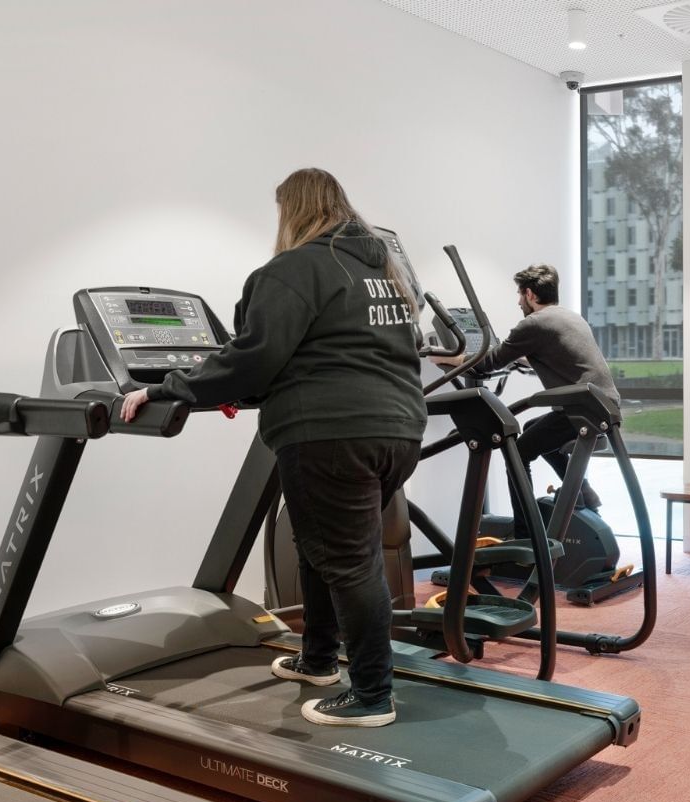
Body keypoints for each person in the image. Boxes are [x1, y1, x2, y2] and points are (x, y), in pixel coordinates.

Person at [121, 168, 426, 728]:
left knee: (350, 562)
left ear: (293, 211)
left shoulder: (292, 268)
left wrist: (169, 388)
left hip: (329, 432)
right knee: (318, 548)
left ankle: (372, 696)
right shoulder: (387, 270)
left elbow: (254, 357)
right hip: (400, 428)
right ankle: (317, 660)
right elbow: (331, 351)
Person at [452, 264, 618, 535]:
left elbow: (490, 362)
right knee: (531, 430)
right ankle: (582, 492)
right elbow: (557, 353)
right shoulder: (569, 317)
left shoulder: (534, 323)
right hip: (601, 404)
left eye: (519, 295)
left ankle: (525, 535)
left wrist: (451, 358)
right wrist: (524, 358)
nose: (519, 301)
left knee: (516, 453)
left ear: (529, 294)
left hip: (580, 407)